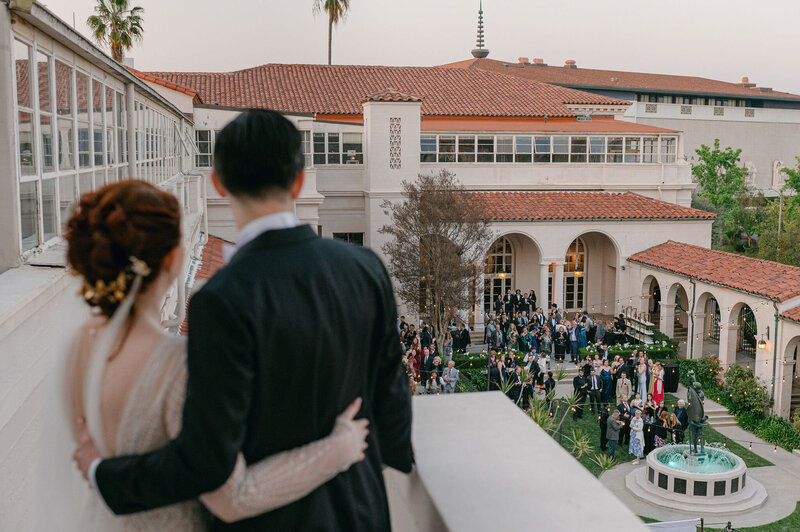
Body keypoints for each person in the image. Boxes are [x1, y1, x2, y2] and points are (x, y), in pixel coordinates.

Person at [71, 111, 412, 531]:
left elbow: (207, 461)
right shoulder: (365, 266)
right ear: (299, 181)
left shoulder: (219, 298)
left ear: (218, 183)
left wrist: (103, 475)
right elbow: (392, 399)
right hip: (363, 512)